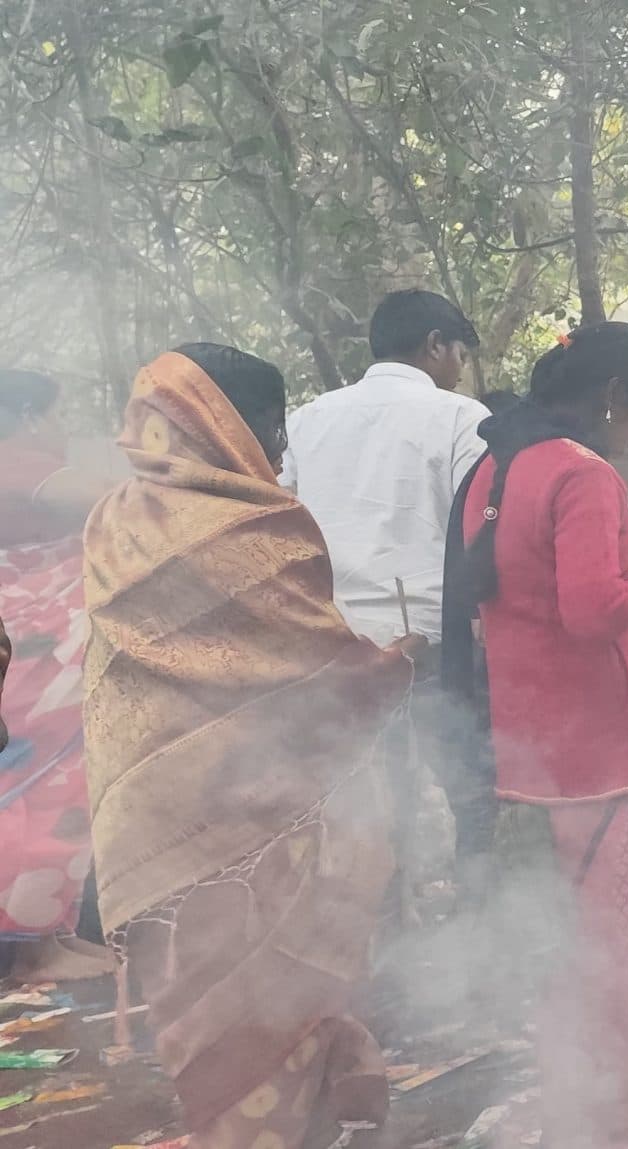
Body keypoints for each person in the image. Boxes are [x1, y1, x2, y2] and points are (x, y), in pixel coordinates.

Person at [84, 344, 414, 1149]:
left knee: (203, 1044)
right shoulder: (259, 523)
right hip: (261, 834)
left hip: (153, 833)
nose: (277, 453)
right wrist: (397, 665)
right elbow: (322, 670)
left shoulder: (111, 521)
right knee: (275, 1030)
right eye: (272, 429)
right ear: (233, 426)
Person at [446, 322, 628, 1147]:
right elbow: (594, 610)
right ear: (616, 397)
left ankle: (597, 1108)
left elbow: (499, 600)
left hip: (540, 752)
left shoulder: (495, 467)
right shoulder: (585, 475)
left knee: (580, 942)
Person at [280, 289, 496, 896]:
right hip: (428, 640)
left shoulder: (308, 418)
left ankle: (370, 921)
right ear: (435, 345)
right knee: (461, 787)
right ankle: (472, 916)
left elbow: (281, 520)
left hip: (332, 640)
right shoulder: (460, 417)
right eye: (458, 352)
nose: (458, 367)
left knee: (356, 796)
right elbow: (480, 525)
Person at [0, 370, 113, 980]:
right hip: (33, 668)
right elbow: (112, 501)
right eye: (56, 418)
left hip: (36, 664)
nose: (62, 432)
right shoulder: (16, 461)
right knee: (33, 793)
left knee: (54, 791)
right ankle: (28, 950)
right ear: (28, 417)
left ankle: (47, 934)